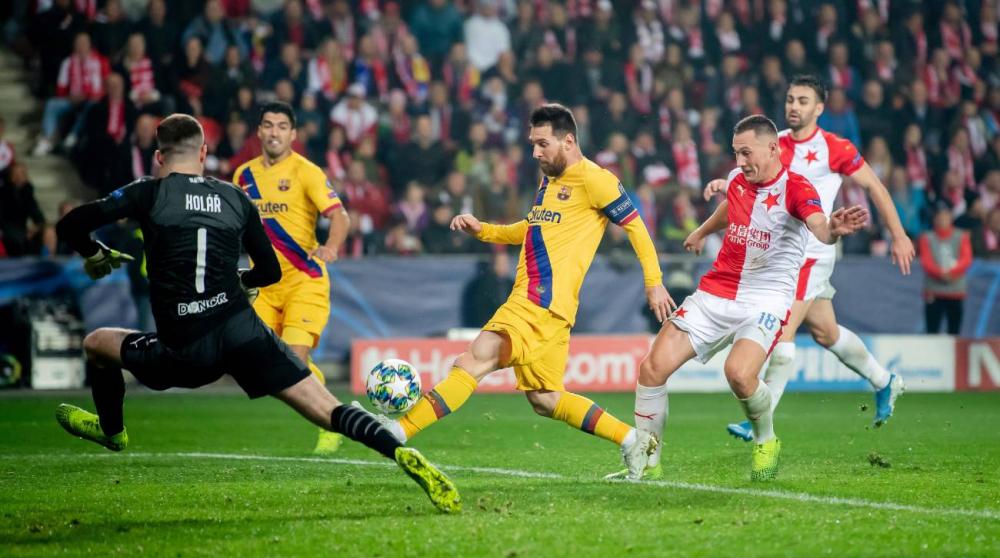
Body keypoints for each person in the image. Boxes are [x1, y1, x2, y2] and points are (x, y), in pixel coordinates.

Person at [53, 114, 458, 513]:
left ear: (159, 157)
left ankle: (112, 431)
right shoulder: (236, 196)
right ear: (204, 152)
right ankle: (399, 452)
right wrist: (242, 281)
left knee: (96, 344)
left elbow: (72, 224)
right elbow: (269, 272)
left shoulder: (147, 193)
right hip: (241, 330)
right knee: (328, 408)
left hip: (185, 346)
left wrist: (94, 254)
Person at [369, 104, 674, 480]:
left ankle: (396, 432)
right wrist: (484, 231)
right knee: (545, 399)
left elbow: (636, 228)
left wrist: (653, 282)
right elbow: (531, 229)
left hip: (538, 301)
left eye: (542, 144)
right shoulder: (550, 180)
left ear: (568, 140)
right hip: (549, 308)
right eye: (532, 144)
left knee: (474, 361)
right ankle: (633, 440)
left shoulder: (597, 180)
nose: (535, 153)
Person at [612, 115, 868, 482]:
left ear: (772, 148)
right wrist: (701, 231)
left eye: (746, 153)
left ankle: (766, 440)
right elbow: (729, 209)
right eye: (735, 153)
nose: (740, 162)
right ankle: (649, 464)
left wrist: (833, 231)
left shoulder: (797, 188)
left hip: (766, 300)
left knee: (739, 374)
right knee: (652, 369)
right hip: (717, 291)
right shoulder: (737, 180)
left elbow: (819, 226)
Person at [704, 76, 914, 441]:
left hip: (814, 253)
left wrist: (898, 234)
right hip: (782, 251)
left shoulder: (835, 147)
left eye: (803, 100)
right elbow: (751, 182)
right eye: (789, 99)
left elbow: (874, 186)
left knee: (782, 334)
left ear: (819, 108)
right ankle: (886, 380)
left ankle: (760, 421)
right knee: (825, 332)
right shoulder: (773, 144)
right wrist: (727, 185)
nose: (793, 106)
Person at [232, 102, 351, 455]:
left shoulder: (306, 172)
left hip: (304, 280)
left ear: (293, 134)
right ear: (259, 131)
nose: (274, 132)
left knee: (294, 362)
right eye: (268, 125)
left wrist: (331, 246)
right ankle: (331, 408)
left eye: (282, 126)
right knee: (259, 367)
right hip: (264, 288)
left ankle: (333, 422)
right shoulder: (243, 177)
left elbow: (339, 215)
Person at [920, 205, 972, 335]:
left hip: (955, 291)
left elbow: (966, 259)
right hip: (934, 290)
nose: (943, 220)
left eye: (945, 217)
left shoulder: (961, 236)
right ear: (935, 219)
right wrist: (941, 274)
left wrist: (951, 273)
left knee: (954, 330)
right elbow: (926, 261)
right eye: (940, 217)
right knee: (932, 329)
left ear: (951, 218)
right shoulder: (927, 237)